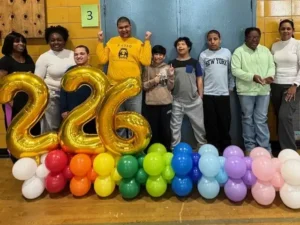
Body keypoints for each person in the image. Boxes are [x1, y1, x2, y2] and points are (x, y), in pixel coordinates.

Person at [96, 16, 152, 137]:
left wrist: (147, 41)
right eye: (121, 27)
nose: (124, 30)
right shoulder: (112, 42)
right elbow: (102, 59)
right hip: (115, 88)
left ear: (130, 27)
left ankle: (135, 146)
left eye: (126, 27)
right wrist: (100, 42)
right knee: (118, 119)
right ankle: (121, 146)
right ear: (117, 29)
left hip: (133, 88)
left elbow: (146, 61)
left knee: (134, 120)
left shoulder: (138, 43)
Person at [231, 27, 275, 154]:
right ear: (246, 38)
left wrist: (270, 77)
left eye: (257, 37)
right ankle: (250, 148)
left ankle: (265, 149)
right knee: (247, 119)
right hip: (246, 91)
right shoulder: (239, 52)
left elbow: (272, 66)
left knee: (261, 119)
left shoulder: (265, 51)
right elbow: (235, 70)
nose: (254, 39)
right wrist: (252, 77)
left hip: (263, 90)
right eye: (251, 37)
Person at [0, 31, 40, 163]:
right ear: (10, 43)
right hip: (14, 102)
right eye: (17, 41)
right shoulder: (5, 61)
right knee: (15, 131)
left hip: (30, 101)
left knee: (32, 129)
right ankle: (17, 160)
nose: (21, 44)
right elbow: (1, 85)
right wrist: (10, 102)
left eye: (23, 41)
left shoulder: (28, 58)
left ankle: (31, 157)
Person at [35, 25, 75, 133]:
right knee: (53, 127)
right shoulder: (44, 57)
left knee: (69, 127)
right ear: (48, 41)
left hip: (69, 97)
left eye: (59, 40)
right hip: (52, 97)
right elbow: (38, 81)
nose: (56, 42)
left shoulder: (72, 54)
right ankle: (50, 149)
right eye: (52, 40)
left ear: (64, 41)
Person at [199, 30, 234, 152]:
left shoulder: (227, 53)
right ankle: (213, 149)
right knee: (210, 124)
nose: (213, 42)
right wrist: (201, 92)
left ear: (220, 40)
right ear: (207, 41)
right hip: (208, 94)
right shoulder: (203, 55)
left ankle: (226, 149)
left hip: (223, 94)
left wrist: (230, 87)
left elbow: (231, 72)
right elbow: (200, 76)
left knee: (224, 123)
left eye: (215, 39)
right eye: (210, 39)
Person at [170, 37, 206, 150]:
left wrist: (200, 96)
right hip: (177, 101)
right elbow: (169, 81)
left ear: (188, 47)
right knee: (174, 127)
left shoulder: (195, 62)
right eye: (178, 44)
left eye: (183, 44)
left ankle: (202, 147)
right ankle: (174, 149)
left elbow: (199, 79)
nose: (180, 46)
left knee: (199, 126)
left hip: (194, 101)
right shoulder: (172, 63)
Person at [271, 19, 300, 151]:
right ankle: (281, 149)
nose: (285, 31)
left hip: (292, 86)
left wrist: (295, 85)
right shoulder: (275, 46)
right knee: (279, 116)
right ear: (279, 30)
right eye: (283, 28)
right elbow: (272, 66)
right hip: (276, 85)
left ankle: (290, 151)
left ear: (293, 30)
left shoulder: (297, 44)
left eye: (288, 28)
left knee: (284, 116)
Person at [142, 45, 174, 150]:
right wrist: (154, 81)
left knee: (165, 130)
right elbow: (143, 86)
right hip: (151, 104)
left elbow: (170, 87)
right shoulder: (147, 67)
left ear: (164, 56)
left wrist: (171, 77)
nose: (158, 57)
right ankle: (151, 151)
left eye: (161, 54)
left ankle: (167, 151)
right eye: (156, 54)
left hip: (165, 103)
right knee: (152, 130)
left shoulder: (168, 67)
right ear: (152, 55)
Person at [60, 45, 96, 134]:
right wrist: (64, 109)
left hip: (90, 112)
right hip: (72, 111)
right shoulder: (69, 71)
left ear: (88, 56)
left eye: (82, 54)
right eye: (76, 54)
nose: (78, 56)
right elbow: (63, 91)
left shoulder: (94, 73)